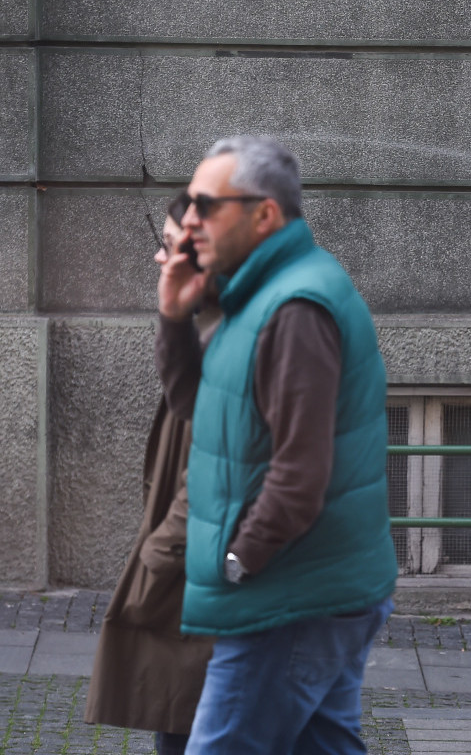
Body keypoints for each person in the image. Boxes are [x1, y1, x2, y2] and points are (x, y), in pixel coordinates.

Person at [155, 135, 397, 753]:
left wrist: (240, 562)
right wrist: (175, 316)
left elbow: (300, 473)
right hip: (315, 586)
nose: (189, 220)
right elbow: (200, 412)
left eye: (208, 206)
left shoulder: (294, 307)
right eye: (190, 204)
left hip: (287, 595)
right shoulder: (256, 292)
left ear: (264, 214)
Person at [84, 211, 218, 755]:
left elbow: (214, 470)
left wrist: (157, 561)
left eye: (171, 244)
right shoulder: (210, 326)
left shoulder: (238, 335)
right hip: (197, 575)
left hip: (203, 578)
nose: (160, 257)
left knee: (193, 723)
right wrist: (173, 313)